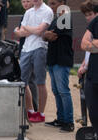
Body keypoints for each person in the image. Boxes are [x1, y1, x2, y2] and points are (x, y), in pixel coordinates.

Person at [14, 0, 54, 123]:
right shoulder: (28, 12)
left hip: (40, 48)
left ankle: (40, 113)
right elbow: (20, 33)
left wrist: (27, 28)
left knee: (40, 82)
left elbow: (39, 31)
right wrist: (32, 30)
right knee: (22, 82)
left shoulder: (47, 11)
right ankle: (31, 110)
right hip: (26, 49)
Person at [44, 0, 74, 132]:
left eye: (54, 3)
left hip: (62, 60)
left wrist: (47, 34)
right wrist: (46, 34)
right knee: (56, 91)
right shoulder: (56, 19)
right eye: (50, 4)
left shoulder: (65, 17)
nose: (51, 6)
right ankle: (61, 119)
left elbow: (53, 35)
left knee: (63, 91)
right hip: (53, 59)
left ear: (62, 3)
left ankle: (69, 122)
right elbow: (46, 35)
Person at [14, 0, 39, 112]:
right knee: (26, 79)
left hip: (33, 50)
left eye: (28, 1)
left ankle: (34, 107)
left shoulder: (36, 14)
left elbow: (25, 32)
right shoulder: (25, 14)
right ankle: (29, 107)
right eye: (23, 1)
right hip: (24, 49)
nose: (25, 4)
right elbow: (22, 31)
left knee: (30, 80)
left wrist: (18, 31)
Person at [81, 1, 98, 140]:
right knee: (93, 110)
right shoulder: (94, 23)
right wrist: (93, 44)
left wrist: (92, 44)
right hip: (93, 73)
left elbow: (89, 44)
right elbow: (83, 44)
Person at [78, 1, 98, 82]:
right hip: (89, 71)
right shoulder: (90, 29)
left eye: (90, 14)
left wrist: (85, 67)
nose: (87, 17)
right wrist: (83, 65)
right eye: (86, 15)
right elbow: (88, 50)